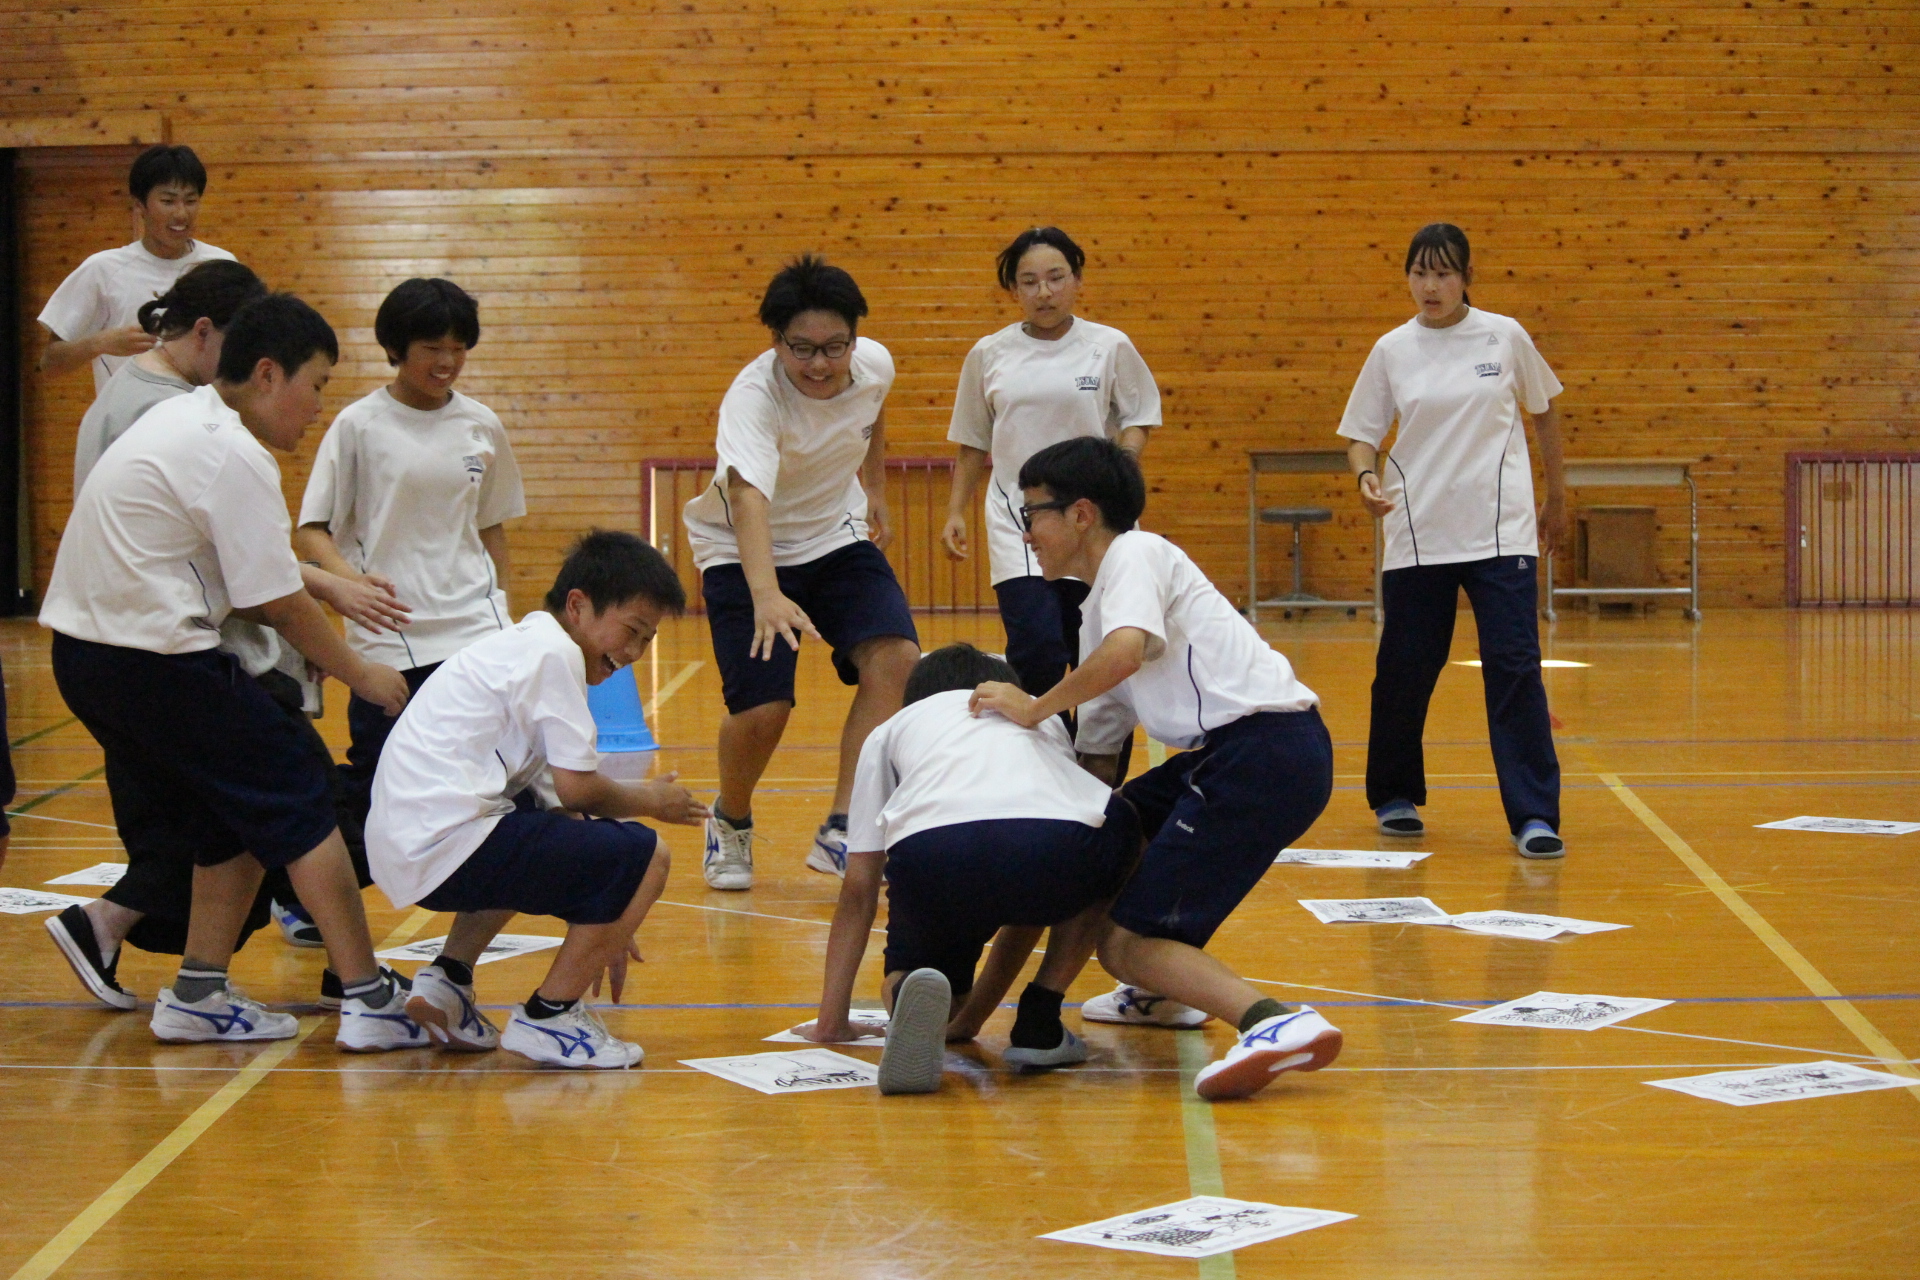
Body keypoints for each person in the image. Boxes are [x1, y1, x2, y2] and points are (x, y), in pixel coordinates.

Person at [39, 292, 425, 1051]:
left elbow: (260, 569)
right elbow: (274, 601)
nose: (316, 408)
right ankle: (369, 995)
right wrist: (361, 673)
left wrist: (331, 594)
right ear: (269, 374)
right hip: (148, 659)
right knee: (303, 792)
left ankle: (199, 993)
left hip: (90, 656)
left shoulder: (190, 422)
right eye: (315, 385)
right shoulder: (231, 450)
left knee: (232, 813)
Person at [969, 437, 1345, 1102]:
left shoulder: (1136, 555)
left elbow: (1125, 655)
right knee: (1113, 832)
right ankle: (1104, 1004)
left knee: (1126, 943)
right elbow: (1096, 769)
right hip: (1235, 755)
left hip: (1262, 752)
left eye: (1033, 514)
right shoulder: (1093, 612)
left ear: (1081, 514)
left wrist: (1034, 709)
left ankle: (1273, 1022)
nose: (1025, 532)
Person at [367, 531, 707, 1068]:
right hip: (440, 843)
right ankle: (551, 1014)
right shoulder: (553, 655)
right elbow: (580, 788)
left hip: (409, 843)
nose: (634, 653)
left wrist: (613, 917)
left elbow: (561, 808)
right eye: (632, 632)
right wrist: (651, 802)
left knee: (533, 820)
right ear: (578, 606)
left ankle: (447, 980)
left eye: (646, 641)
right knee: (650, 854)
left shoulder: (523, 645)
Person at [801, 643, 1141, 1094]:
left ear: (915, 697)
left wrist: (832, 1022)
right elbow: (1032, 914)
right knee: (1120, 834)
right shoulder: (1041, 716)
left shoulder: (892, 727)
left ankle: (906, 994)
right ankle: (1040, 1014)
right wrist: (975, 1018)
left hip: (936, 851)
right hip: (1053, 845)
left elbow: (859, 886)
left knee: (923, 978)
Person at [682, 254, 920, 889]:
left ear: (855, 339)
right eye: (803, 349)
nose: (820, 364)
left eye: (835, 347)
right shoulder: (754, 399)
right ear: (776, 342)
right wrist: (766, 593)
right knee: (764, 709)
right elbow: (748, 498)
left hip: (833, 534)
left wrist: (874, 490)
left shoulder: (873, 366)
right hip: (741, 548)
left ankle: (845, 823)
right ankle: (730, 821)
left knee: (896, 657)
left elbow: (874, 414)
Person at [1337, 223, 1569, 859]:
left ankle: (1534, 814)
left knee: (1515, 666)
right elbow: (1361, 432)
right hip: (1416, 531)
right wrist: (1364, 475)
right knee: (1406, 669)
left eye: (1443, 273)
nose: (1430, 286)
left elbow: (1544, 412)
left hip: (1502, 531)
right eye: (1419, 273)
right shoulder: (1391, 350)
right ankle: (1394, 794)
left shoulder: (1505, 336)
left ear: (1466, 277)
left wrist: (1557, 496)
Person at [295, 277, 525, 886]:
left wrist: (508, 617)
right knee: (384, 786)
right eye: (431, 347)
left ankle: (459, 945)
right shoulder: (358, 426)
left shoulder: (482, 425)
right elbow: (313, 529)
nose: (447, 362)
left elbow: (492, 528)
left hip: (476, 633)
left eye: (458, 347)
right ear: (396, 348)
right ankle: (306, 893)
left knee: (494, 779)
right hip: (391, 639)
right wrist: (350, 585)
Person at [942, 226, 1161, 697]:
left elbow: (1140, 415)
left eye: (1056, 277)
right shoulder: (988, 354)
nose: (1044, 292)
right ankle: (1043, 752)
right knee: (1039, 649)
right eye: (1029, 281)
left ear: (1077, 280)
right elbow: (972, 442)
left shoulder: (1109, 346)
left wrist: (1117, 468)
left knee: (1102, 656)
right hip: (1020, 525)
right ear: (1014, 289)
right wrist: (955, 511)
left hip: (1095, 521)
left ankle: (1098, 768)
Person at [37, 144, 236, 393]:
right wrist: (100, 343)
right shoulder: (103, 270)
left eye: (190, 201)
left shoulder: (222, 267)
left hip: (204, 425)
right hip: (129, 426)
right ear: (140, 205)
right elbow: (50, 364)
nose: (181, 213)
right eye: (168, 201)